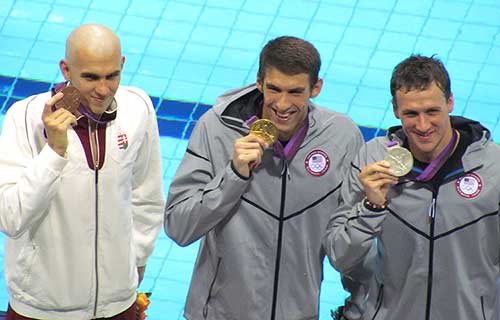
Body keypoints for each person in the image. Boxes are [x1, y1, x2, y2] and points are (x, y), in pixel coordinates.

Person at [164, 36, 364, 320]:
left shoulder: (341, 137)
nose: (282, 104)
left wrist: (360, 307)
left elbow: (350, 236)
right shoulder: (216, 128)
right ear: (259, 82)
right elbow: (178, 226)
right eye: (274, 89)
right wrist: (233, 175)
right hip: (219, 314)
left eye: (295, 92)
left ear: (316, 88)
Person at [0, 24, 165, 319]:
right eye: (90, 77)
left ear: (122, 65)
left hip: (119, 305)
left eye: (112, 76)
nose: (103, 89)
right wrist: (54, 151)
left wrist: (137, 259)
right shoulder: (23, 118)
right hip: (41, 309)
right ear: (66, 69)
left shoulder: (138, 108)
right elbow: (10, 217)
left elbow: (146, 192)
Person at [323, 54, 500, 320]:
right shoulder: (372, 160)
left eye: (432, 111)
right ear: (396, 110)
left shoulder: (492, 166)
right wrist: (372, 207)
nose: (423, 125)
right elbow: (340, 256)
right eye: (411, 114)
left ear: (450, 102)